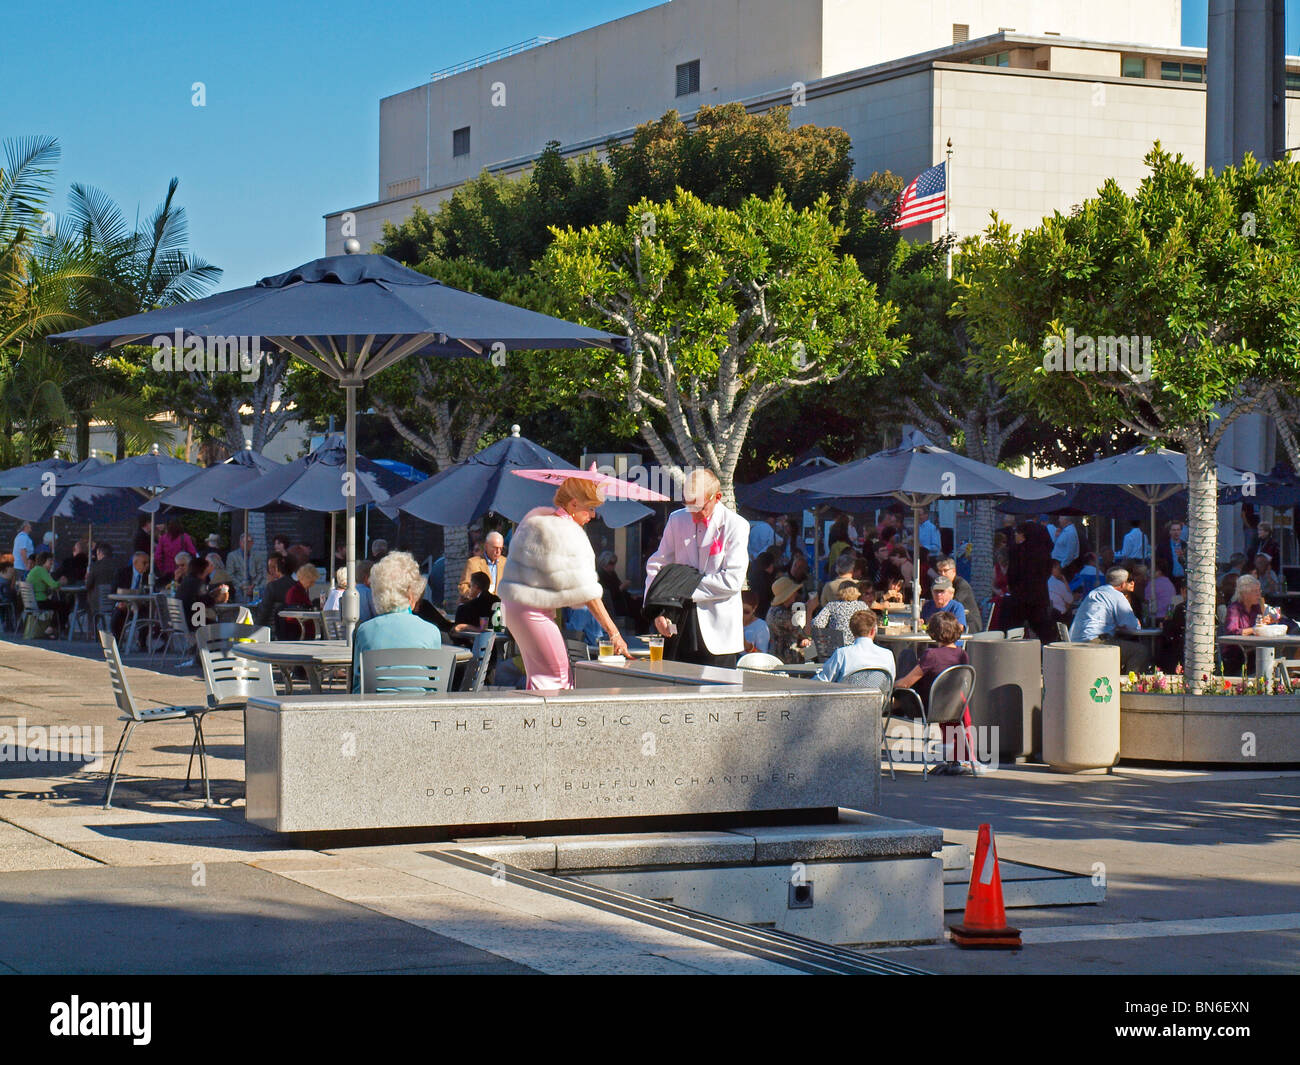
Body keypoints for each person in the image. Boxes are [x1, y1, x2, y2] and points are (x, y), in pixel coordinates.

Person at [497, 476, 627, 690]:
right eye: (591, 508)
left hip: (515, 607)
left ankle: (533, 722)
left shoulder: (540, 520)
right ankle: (551, 723)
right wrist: (614, 633)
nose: (593, 516)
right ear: (574, 503)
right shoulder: (567, 531)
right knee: (557, 679)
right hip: (533, 611)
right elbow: (588, 594)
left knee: (541, 677)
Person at [645, 468, 749, 668]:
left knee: (719, 695)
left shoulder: (736, 525)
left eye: (699, 508)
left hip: (718, 631)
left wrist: (683, 586)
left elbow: (732, 581)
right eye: (688, 506)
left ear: (717, 497)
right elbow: (657, 564)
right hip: (678, 620)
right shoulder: (677, 519)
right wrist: (657, 607)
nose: (693, 515)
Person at [350, 551, 445, 693]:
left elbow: (358, 687)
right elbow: (436, 686)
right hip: (420, 711)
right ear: (411, 592)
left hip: (376, 711)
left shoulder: (364, 631)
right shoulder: (431, 631)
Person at [894, 611, 972, 774]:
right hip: (953, 707)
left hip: (928, 709)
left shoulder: (931, 655)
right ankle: (956, 759)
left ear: (933, 632)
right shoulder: (962, 655)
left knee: (906, 656)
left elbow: (907, 683)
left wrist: (891, 686)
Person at [1068, 567, 1150, 672]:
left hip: (1075, 641)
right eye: (1129, 580)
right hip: (1094, 643)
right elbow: (1134, 626)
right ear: (1122, 584)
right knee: (1140, 651)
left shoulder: (1094, 592)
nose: (1132, 582)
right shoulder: (1117, 596)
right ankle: (1129, 684)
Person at [813, 609, 895, 683]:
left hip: (846, 699)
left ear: (852, 631)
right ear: (873, 631)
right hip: (877, 699)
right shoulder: (888, 655)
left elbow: (822, 680)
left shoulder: (842, 654)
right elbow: (889, 682)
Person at [1007, 520, 1055, 642]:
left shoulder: (1017, 551)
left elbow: (1012, 574)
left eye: (1017, 533)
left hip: (1020, 597)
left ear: (1023, 534)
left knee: (1014, 630)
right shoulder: (1044, 553)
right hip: (1039, 597)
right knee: (1044, 631)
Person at [810, 583, 871, 658]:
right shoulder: (862, 605)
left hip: (836, 649)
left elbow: (817, 623)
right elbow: (870, 623)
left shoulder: (831, 605)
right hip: (858, 648)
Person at [765, 575, 810, 665]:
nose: (796, 593)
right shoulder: (780, 614)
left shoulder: (780, 609)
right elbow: (805, 632)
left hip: (787, 656)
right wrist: (810, 609)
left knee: (812, 652)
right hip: (785, 660)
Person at [934, 556, 981, 635]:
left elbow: (953, 604)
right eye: (940, 571)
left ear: (954, 571)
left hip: (968, 623)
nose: (942, 574)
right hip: (951, 622)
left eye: (945, 571)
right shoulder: (941, 585)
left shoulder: (962, 585)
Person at [26, 551, 71, 633]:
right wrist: (61, 582)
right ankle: (51, 629)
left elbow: (48, 585)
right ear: (44, 561)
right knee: (64, 606)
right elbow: (53, 585)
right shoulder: (41, 570)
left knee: (59, 605)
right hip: (40, 601)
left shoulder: (35, 570)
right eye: (50, 561)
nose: (51, 564)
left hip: (32, 602)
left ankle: (54, 628)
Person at [255, 554, 295, 637]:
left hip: (275, 631)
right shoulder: (297, 585)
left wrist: (255, 631)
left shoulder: (273, 586)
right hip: (294, 629)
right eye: (269, 567)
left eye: (273, 567)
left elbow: (263, 613)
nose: (271, 570)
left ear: (278, 568)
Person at [459, 530, 507, 599]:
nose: (498, 551)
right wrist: (475, 596)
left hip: (499, 606)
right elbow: (463, 586)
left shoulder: (505, 562)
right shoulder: (473, 563)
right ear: (486, 546)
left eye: (501, 548)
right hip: (480, 606)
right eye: (495, 548)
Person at [226, 532, 265, 602]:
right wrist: (242, 586)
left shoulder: (257, 556)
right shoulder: (232, 556)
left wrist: (253, 585)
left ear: (252, 543)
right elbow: (230, 574)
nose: (247, 544)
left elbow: (260, 572)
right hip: (239, 587)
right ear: (240, 542)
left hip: (254, 586)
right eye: (245, 541)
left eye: (249, 541)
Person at [284, 562, 319, 638]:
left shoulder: (300, 589)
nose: (312, 585)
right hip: (298, 628)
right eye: (311, 582)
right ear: (306, 579)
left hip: (300, 625)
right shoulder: (296, 591)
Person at [746, 548, 778, 619]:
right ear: (770, 565)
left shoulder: (753, 574)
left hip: (755, 611)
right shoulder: (767, 581)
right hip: (765, 612)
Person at [1156, 521, 1187, 589]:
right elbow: (1158, 562)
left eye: (1178, 530)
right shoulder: (1163, 546)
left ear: (1181, 531)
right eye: (1174, 530)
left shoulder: (1185, 546)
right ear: (1170, 531)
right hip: (1169, 580)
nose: (1176, 532)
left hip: (1183, 580)